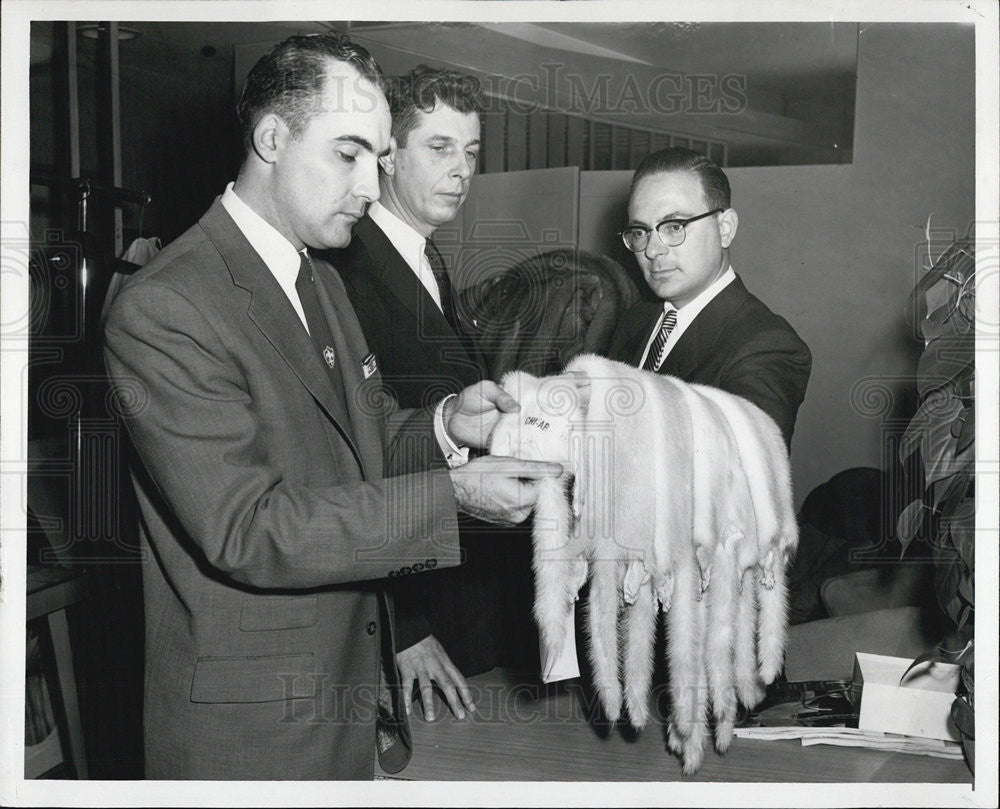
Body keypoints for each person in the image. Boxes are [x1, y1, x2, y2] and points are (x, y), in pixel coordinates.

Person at [102, 33, 559, 780]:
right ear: (272, 137)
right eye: (347, 153)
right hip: (252, 728)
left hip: (344, 700)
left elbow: (363, 434)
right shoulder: (167, 305)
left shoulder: (318, 278)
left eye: (377, 159)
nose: (372, 187)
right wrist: (451, 497)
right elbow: (248, 528)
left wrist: (449, 426)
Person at [324, 66, 520, 724]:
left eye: (470, 152)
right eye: (439, 148)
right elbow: (342, 461)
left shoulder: (426, 259)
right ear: (388, 153)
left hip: (460, 586)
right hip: (412, 614)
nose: (461, 170)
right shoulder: (344, 267)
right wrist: (402, 626)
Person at [607, 147, 811, 446]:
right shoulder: (636, 320)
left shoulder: (766, 345)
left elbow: (739, 474)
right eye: (640, 231)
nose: (652, 250)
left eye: (674, 226)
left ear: (725, 229)